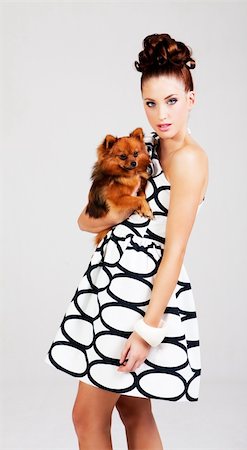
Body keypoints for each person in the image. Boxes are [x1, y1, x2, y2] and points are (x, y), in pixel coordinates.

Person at [44, 32, 209, 450]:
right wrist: (115, 211)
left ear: (191, 98)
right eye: (151, 103)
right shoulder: (146, 150)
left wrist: (148, 330)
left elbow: (175, 250)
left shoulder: (189, 159)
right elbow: (88, 219)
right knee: (134, 410)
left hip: (137, 293)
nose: (161, 114)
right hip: (110, 280)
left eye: (172, 100)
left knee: (86, 416)